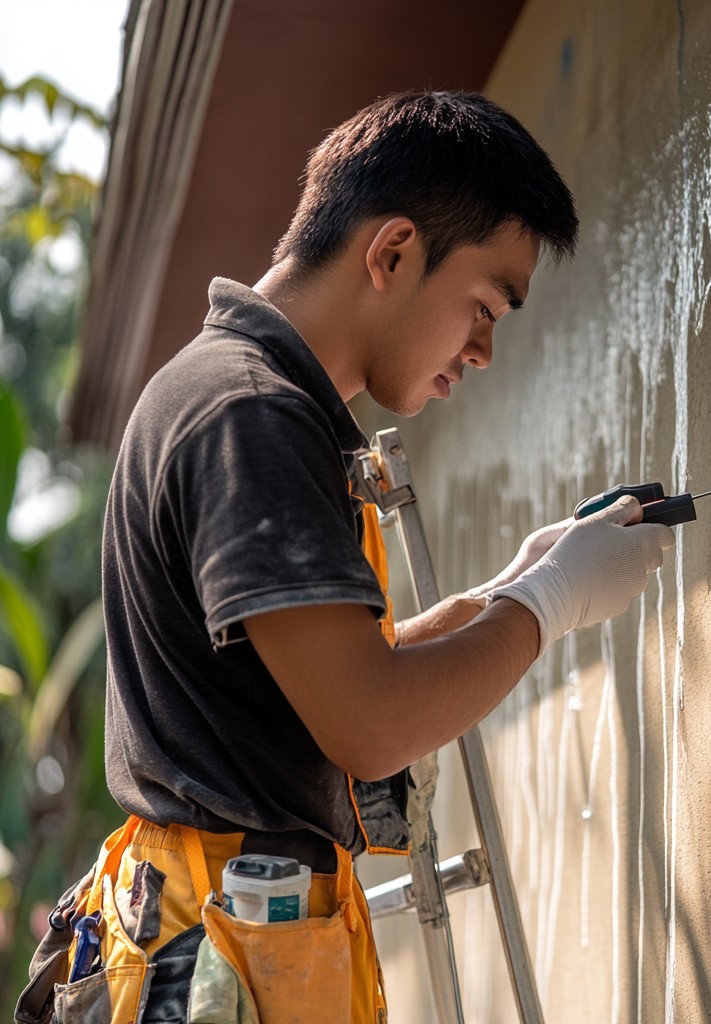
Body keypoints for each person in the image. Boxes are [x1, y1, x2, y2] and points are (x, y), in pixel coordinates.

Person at [19, 91, 674, 1024]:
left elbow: (303, 689)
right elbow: (368, 725)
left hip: (219, 940)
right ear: (394, 253)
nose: (483, 349)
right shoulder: (250, 414)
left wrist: (513, 586)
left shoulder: (238, 397)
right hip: (212, 961)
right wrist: (551, 604)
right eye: (484, 305)